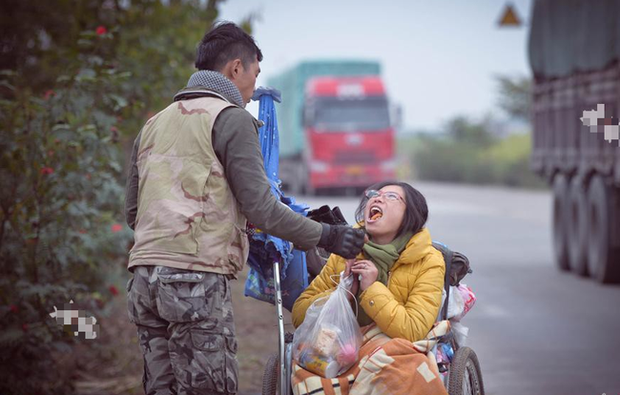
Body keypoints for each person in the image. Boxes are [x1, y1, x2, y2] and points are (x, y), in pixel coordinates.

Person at [123, 22, 365, 395]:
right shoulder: (230, 118)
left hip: (143, 280)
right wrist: (327, 235)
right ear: (237, 68)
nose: (254, 85)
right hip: (194, 280)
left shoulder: (154, 124)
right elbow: (262, 207)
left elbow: (133, 212)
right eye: (255, 72)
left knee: (161, 388)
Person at [291, 181, 447, 395]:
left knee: (400, 366)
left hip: (394, 348)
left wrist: (372, 288)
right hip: (341, 347)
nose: (377, 198)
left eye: (391, 197)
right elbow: (299, 316)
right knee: (307, 369)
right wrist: (343, 292)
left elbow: (413, 330)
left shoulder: (428, 261)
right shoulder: (346, 251)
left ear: (410, 215)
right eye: (374, 194)